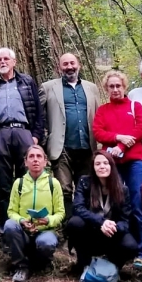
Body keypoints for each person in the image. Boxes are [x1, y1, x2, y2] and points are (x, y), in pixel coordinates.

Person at [0, 48, 44, 229]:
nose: (3, 62)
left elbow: (39, 112)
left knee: (25, 180)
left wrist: (36, 137)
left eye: (6, 59)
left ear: (14, 62)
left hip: (24, 133)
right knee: (5, 183)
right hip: (0, 134)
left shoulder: (27, 82)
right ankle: (6, 225)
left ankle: (27, 222)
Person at [92, 70, 142, 267]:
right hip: (112, 163)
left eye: (118, 86)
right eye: (111, 86)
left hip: (136, 160)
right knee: (114, 203)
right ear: (106, 89)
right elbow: (98, 132)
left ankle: (140, 251)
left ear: (124, 87)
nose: (115, 89)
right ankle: (116, 245)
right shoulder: (103, 110)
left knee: (136, 202)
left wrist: (122, 146)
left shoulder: (135, 106)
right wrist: (118, 137)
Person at [41, 53, 99, 219]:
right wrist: (45, 140)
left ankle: (84, 224)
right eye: (65, 64)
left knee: (86, 187)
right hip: (62, 147)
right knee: (63, 188)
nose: (69, 67)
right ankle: (68, 225)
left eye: (72, 63)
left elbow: (97, 114)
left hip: (87, 147)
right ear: (59, 67)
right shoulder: (48, 87)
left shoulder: (91, 88)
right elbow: (39, 117)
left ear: (78, 65)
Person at [65, 151, 138, 270]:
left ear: (111, 166)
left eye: (105, 163)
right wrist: (101, 222)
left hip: (111, 233)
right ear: (93, 167)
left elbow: (125, 221)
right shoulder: (85, 182)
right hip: (90, 230)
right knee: (75, 223)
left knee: (131, 246)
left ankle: (111, 266)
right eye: (98, 164)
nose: (102, 166)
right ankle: (84, 263)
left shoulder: (122, 189)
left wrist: (113, 227)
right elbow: (78, 208)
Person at [3, 145, 64, 282]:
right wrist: (22, 221)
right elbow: (11, 211)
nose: (35, 160)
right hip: (23, 232)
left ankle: (39, 264)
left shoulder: (53, 184)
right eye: (31, 156)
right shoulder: (19, 183)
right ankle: (21, 266)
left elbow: (60, 213)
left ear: (45, 160)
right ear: (25, 162)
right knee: (9, 225)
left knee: (47, 242)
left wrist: (48, 220)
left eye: (39, 156)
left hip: (44, 232)